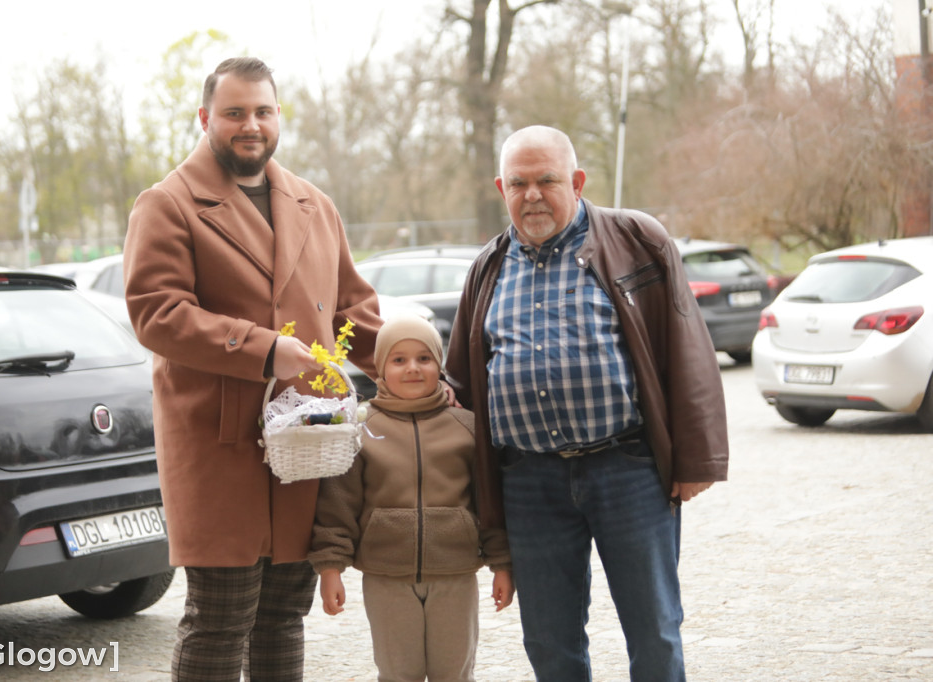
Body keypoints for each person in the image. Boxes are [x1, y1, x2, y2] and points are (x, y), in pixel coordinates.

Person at [123, 57, 383, 682]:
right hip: (219, 449)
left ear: (278, 116)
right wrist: (263, 349)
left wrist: (417, 373)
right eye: (235, 112)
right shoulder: (167, 204)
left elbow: (354, 310)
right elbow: (157, 313)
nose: (251, 125)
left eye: (263, 111)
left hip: (304, 440)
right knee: (219, 618)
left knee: (283, 616)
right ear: (205, 118)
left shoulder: (315, 204)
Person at [444, 125, 729, 682]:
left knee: (654, 631)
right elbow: (462, 381)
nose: (532, 195)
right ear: (501, 188)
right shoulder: (488, 267)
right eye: (518, 183)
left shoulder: (636, 239)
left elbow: (687, 347)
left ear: (576, 182)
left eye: (546, 180)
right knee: (549, 641)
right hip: (529, 482)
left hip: (627, 469)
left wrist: (696, 459)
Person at [309, 314, 514, 682]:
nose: (413, 368)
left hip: (455, 575)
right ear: (381, 368)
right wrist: (330, 568)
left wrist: (502, 563)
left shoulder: (466, 427)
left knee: (455, 673)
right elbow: (337, 504)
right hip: (385, 577)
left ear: (440, 365)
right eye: (399, 360)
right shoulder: (360, 428)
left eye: (424, 358)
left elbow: (489, 503)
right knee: (397, 674)